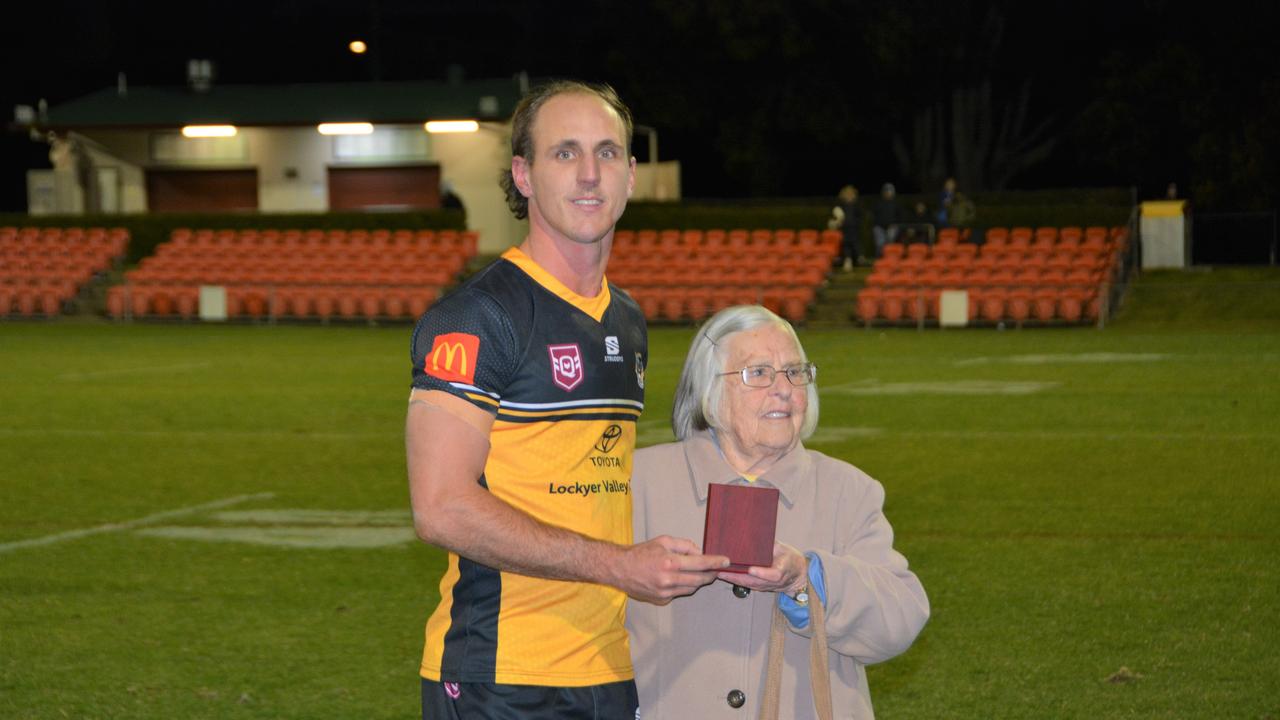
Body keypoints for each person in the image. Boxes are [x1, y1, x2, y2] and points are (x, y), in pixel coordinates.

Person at [406, 80, 728, 720]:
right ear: (523, 175)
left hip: (611, 666)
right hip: (502, 676)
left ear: (632, 176)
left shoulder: (627, 321)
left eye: (608, 153)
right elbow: (441, 508)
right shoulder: (478, 318)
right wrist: (617, 565)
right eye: (565, 153)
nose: (589, 174)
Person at [627, 305, 930, 719]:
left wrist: (807, 578)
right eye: (759, 373)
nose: (784, 388)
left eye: (795, 372)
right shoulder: (637, 483)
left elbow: (900, 621)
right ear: (708, 389)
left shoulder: (849, 490)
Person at [827, 185, 864, 270]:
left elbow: (860, 217)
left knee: (855, 243)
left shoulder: (857, 206)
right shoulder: (840, 206)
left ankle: (859, 257)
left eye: (851, 194)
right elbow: (835, 218)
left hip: (854, 229)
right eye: (847, 194)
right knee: (845, 245)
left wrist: (856, 223)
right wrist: (836, 223)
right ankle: (848, 260)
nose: (849, 196)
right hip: (844, 229)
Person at [871, 182, 901, 258]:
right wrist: (878, 225)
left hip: (892, 227)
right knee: (880, 244)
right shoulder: (878, 203)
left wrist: (894, 224)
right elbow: (874, 216)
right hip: (879, 227)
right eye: (886, 191)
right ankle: (879, 259)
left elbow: (899, 217)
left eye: (889, 191)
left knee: (889, 243)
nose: (888, 193)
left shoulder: (896, 204)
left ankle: (889, 260)